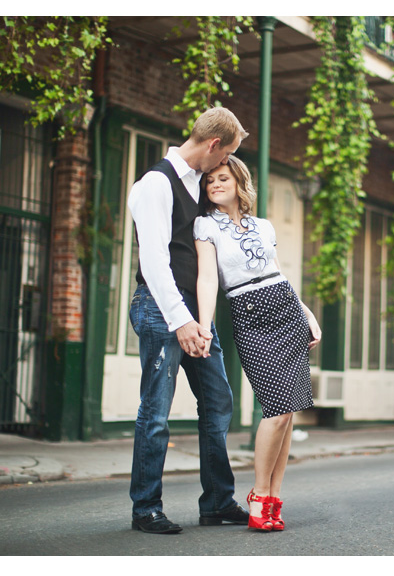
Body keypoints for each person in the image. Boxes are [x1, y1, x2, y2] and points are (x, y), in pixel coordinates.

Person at [127, 107, 250, 534]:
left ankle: (217, 502)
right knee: (156, 411)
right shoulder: (155, 185)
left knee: (217, 402)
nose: (223, 166)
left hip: (196, 316)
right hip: (163, 311)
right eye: (225, 154)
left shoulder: (199, 184)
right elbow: (155, 262)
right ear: (213, 145)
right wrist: (182, 323)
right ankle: (146, 508)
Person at [194, 155, 321, 531]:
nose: (214, 185)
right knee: (277, 409)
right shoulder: (205, 226)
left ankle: (273, 497)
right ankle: (259, 494)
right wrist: (204, 325)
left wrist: (308, 314)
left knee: (289, 411)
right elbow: (207, 279)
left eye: (222, 178)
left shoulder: (263, 226)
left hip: (286, 308)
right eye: (209, 181)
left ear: (239, 182)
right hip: (250, 315)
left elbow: (277, 272)